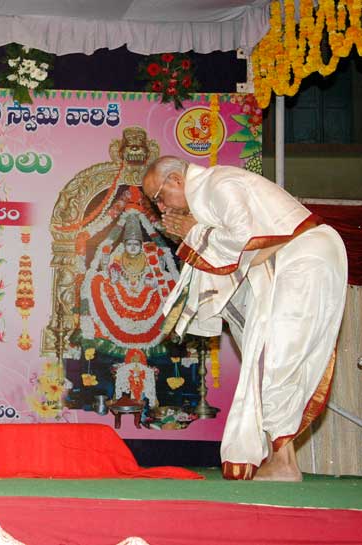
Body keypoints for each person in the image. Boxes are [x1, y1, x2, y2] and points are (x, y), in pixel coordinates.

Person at [143, 156, 347, 481]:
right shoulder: (207, 197)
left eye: (159, 198)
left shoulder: (219, 184)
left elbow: (242, 238)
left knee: (276, 354)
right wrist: (190, 236)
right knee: (264, 353)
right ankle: (282, 459)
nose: (161, 208)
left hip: (302, 257)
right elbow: (233, 255)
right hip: (284, 264)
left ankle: (284, 462)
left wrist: (194, 232)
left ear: (176, 181)